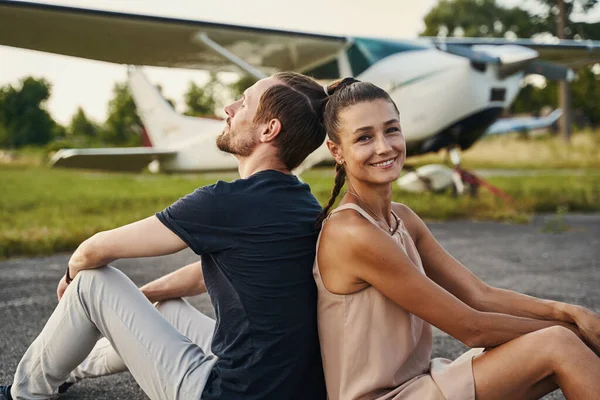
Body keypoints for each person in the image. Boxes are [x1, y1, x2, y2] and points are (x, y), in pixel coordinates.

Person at [1, 72, 329, 400]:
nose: (228, 108)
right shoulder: (302, 201)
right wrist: (138, 300)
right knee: (167, 309)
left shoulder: (225, 202)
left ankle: (24, 394)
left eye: (243, 103)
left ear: (269, 129)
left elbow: (94, 250)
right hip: (283, 388)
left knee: (92, 282)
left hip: (230, 393)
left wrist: (71, 275)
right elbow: (212, 273)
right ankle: (66, 372)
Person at [313, 78, 600, 400]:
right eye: (364, 137)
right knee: (559, 344)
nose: (384, 146)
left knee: (567, 340)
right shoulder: (351, 232)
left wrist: (570, 312)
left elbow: (480, 295)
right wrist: (573, 331)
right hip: (386, 396)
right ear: (336, 151)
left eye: (391, 130)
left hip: (424, 381)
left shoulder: (401, 218)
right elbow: (471, 328)